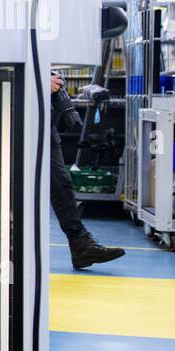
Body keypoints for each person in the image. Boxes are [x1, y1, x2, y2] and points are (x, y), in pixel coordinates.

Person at [50, 69, 124, 269]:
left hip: (46, 123)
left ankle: (81, 245)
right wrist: (38, 82)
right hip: (18, 117)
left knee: (61, 185)